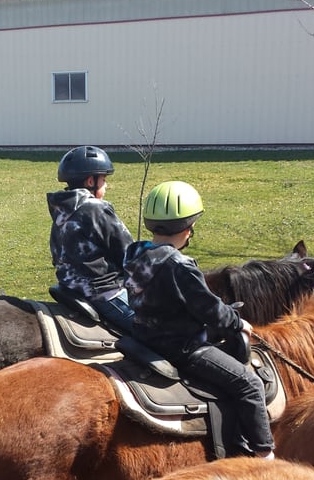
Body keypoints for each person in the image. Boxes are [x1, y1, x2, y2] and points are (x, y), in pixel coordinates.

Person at [123, 179, 275, 459]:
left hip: (144, 339)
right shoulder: (180, 266)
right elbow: (210, 311)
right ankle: (264, 456)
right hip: (182, 348)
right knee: (249, 385)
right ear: (188, 227)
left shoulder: (134, 253)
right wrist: (237, 321)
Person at [47, 145, 135, 334]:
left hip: (70, 289)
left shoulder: (61, 212)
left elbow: (56, 254)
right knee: (161, 331)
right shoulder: (96, 209)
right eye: (104, 180)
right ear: (90, 181)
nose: (106, 185)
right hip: (105, 295)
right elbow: (129, 253)